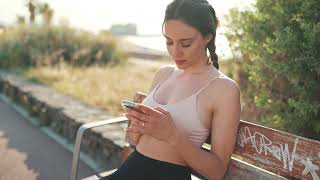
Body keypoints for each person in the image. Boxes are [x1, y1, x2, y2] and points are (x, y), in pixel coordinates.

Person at [101, 0, 240, 179]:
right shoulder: (163, 74)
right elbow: (137, 142)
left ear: (208, 36)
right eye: (169, 42)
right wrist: (137, 126)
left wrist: (172, 135)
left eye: (186, 43)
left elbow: (216, 171)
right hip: (128, 171)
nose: (175, 52)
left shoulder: (224, 89)